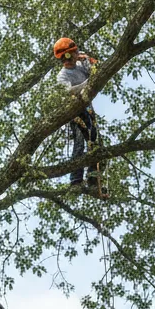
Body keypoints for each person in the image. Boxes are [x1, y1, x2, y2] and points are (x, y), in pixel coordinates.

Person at [53, 37, 106, 196]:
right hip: (75, 112)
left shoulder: (81, 64)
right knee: (80, 142)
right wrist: (87, 84)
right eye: (74, 52)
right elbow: (69, 91)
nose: (77, 53)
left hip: (88, 108)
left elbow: (97, 71)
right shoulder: (62, 76)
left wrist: (90, 61)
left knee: (96, 143)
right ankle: (76, 180)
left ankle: (93, 179)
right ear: (67, 56)